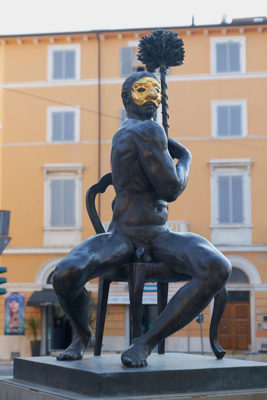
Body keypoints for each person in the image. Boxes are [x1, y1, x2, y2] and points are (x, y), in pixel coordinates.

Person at [53, 71, 231, 367]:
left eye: (155, 90)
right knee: (218, 267)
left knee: (65, 274)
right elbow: (172, 188)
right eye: (142, 90)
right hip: (129, 235)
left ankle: (134, 342)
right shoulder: (148, 131)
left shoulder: (128, 132)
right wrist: (185, 158)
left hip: (150, 235)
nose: (151, 96)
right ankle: (99, 338)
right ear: (127, 98)